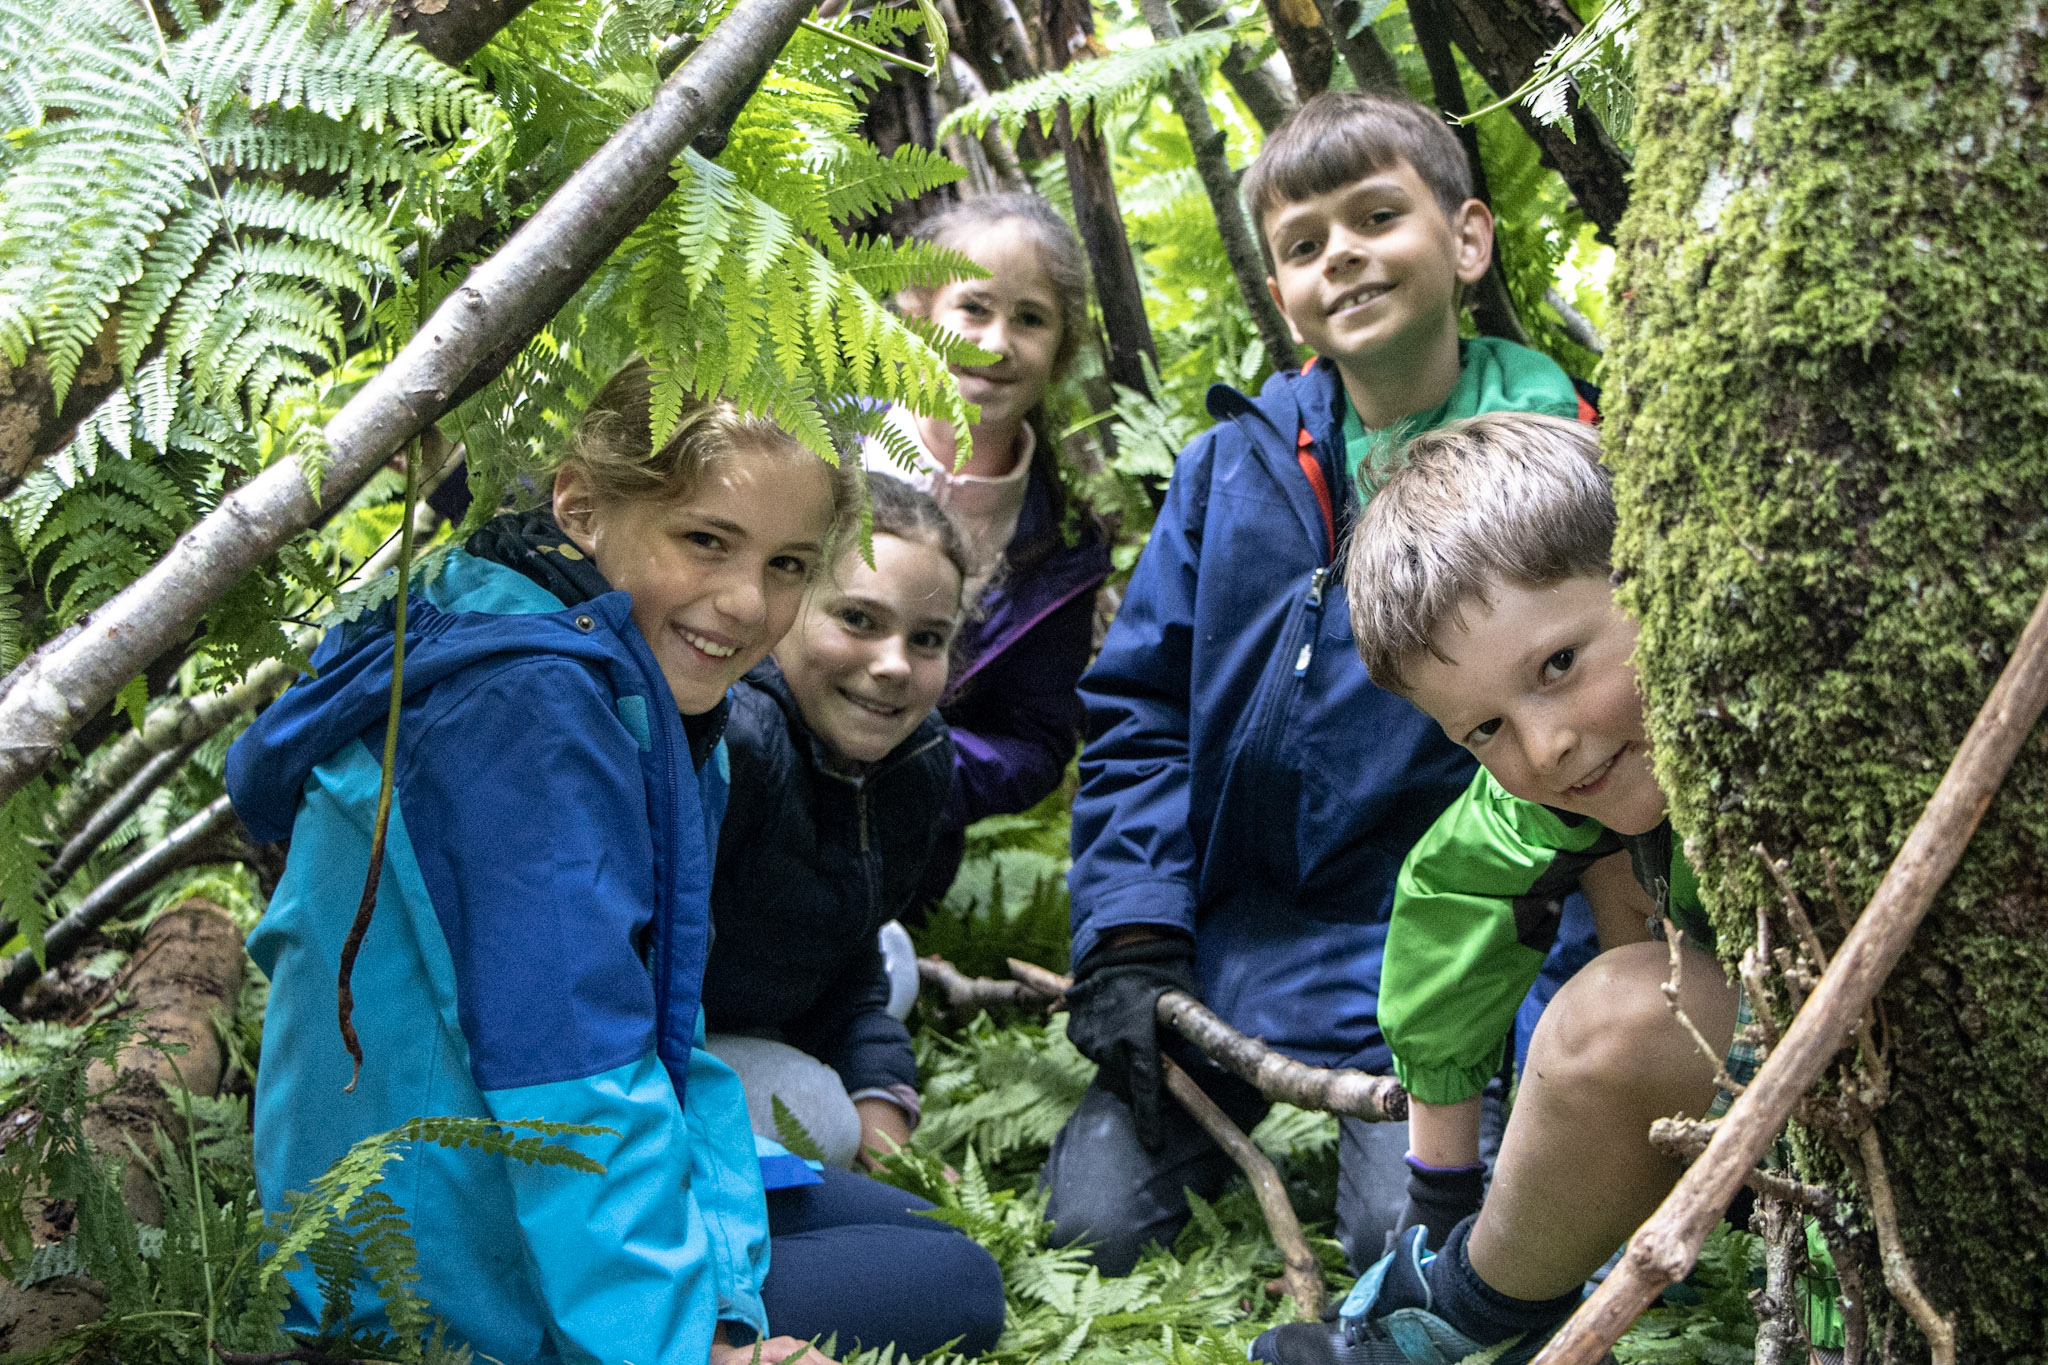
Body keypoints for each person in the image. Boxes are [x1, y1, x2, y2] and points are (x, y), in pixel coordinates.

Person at [224, 361, 951, 1365]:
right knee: (946, 1285)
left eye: (787, 565)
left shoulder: (612, 676)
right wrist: (689, 1347)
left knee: (921, 1253)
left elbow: (661, 1034)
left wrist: (724, 1287)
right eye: (705, 540)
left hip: (496, 1219)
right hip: (430, 1281)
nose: (744, 604)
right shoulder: (526, 714)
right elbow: (572, 1081)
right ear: (580, 503)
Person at [1048, 89, 1600, 1276]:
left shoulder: (1564, 456)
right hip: (1232, 953)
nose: (1339, 255)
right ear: (1280, 288)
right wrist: (1133, 935)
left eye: (1374, 217)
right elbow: (1139, 709)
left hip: (1450, 964)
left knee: (1398, 1240)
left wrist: (1541, 1013)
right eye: (1301, 244)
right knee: (1087, 1224)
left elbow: (1594, 777)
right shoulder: (1227, 467)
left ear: (1466, 239)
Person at [1252, 412, 1759, 1364]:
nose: (1545, 746)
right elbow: (1452, 897)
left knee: (1613, 1018)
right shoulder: (1559, 776)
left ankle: (1473, 1320)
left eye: (1559, 665)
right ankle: (1471, 1288)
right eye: (1484, 728)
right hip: (1776, 1068)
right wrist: (1441, 1201)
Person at [702, 473, 1005, 1354]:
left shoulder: (913, 759)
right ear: (788, 603)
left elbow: (853, 962)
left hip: (761, 991)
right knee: (821, 1116)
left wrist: (888, 1110)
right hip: (674, 1040)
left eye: (928, 638)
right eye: (859, 619)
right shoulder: (738, 744)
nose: (892, 665)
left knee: (895, 959)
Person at [862, 192, 1113, 908]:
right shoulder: (821, 450)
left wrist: (913, 773)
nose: (996, 343)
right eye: (973, 308)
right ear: (919, 312)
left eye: (1029, 318)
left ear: (1061, 348)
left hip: (894, 867)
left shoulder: (1061, 545)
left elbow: (1032, 737)